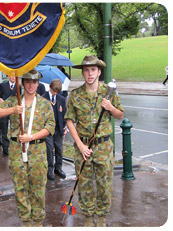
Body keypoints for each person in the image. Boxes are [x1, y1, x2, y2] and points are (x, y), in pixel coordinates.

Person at [0, 68, 55, 227]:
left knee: (38, 189)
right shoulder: (14, 100)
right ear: (23, 82)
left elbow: (51, 127)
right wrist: (13, 110)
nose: (31, 85)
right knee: (20, 188)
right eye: (28, 81)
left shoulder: (45, 104)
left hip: (37, 152)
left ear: (38, 83)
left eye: (34, 82)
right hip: (17, 151)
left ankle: (38, 222)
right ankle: (26, 222)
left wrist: (32, 137)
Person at [65, 55, 124, 227]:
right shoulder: (75, 95)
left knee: (105, 184)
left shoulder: (108, 92)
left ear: (99, 72)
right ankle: (89, 218)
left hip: (103, 147)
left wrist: (110, 107)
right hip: (83, 147)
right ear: (82, 73)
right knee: (84, 183)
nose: (89, 73)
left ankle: (102, 218)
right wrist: (80, 144)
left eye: (93, 70)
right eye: (86, 70)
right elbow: (69, 120)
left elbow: (120, 115)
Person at [42, 79, 67, 180]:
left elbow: (64, 113)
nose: (55, 93)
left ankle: (58, 167)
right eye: (53, 91)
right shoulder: (43, 98)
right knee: (49, 149)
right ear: (50, 88)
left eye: (57, 92)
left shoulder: (61, 98)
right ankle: (49, 169)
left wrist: (64, 126)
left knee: (59, 148)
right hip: (48, 129)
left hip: (58, 128)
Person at [0, 75, 21, 155]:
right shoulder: (3, 85)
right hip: (5, 110)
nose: (13, 78)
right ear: (8, 76)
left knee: (14, 128)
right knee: (4, 129)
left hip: (14, 112)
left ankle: (14, 146)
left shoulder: (19, 87)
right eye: (11, 76)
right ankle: (5, 147)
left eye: (14, 76)